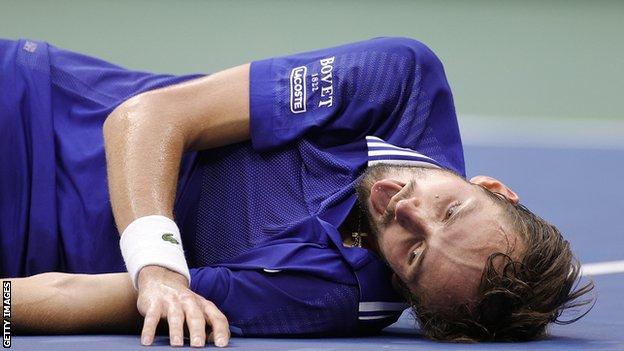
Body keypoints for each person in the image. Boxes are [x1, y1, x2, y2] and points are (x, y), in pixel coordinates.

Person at [0, 37, 593, 347]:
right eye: (452, 207)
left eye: (413, 253)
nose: (404, 206)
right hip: (24, 106)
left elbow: (71, 295)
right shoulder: (402, 84)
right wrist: (158, 270)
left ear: (411, 297)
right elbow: (145, 118)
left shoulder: (328, 295)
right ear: (494, 188)